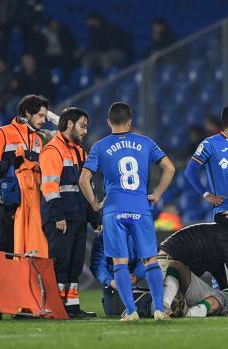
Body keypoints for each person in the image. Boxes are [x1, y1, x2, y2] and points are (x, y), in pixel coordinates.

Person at [79, 102, 176, 321]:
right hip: (140, 208)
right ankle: (159, 309)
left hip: (114, 210)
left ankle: (131, 312)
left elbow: (83, 179)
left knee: (119, 263)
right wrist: (157, 194)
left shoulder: (100, 146)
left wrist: (95, 204)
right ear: (130, 121)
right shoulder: (145, 142)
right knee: (150, 260)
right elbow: (170, 168)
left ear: (108, 122)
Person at [40, 107, 99, 318]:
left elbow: (86, 187)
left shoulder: (79, 151)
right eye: (82, 126)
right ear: (69, 124)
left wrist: (94, 218)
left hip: (78, 215)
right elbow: (49, 187)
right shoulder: (52, 151)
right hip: (60, 217)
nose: (85, 131)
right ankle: (56, 308)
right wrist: (58, 217)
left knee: (73, 264)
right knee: (60, 264)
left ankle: (71, 308)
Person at [0, 94, 48, 253]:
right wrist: (8, 164)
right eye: (40, 116)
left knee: (30, 252)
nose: (44, 120)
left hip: (33, 204)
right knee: (8, 251)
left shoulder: (39, 139)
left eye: (45, 116)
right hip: (10, 202)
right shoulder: (2, 133)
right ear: (27, 113)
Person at [159, 212, 228, 314]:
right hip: (169, 260)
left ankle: (163, 306)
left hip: (170, 259)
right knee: (162, 305)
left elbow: (219, 271)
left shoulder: (226, 232)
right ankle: (157, 305)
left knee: (177, 306)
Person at [90, 232, 150, 317]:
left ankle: (156, 305)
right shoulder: (103, 237)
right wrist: (110, 281)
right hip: (113, 278)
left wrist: (137, 275)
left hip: (132, 275)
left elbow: (147, 257)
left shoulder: (138, 231)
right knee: (113, 311)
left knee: (120, 308)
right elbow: (98, 265)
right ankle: (151, 304)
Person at [164, 260, 228, 318]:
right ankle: (165, 306)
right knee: (175, 265)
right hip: (217, 292)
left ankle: (187, 313)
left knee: (216, 300)